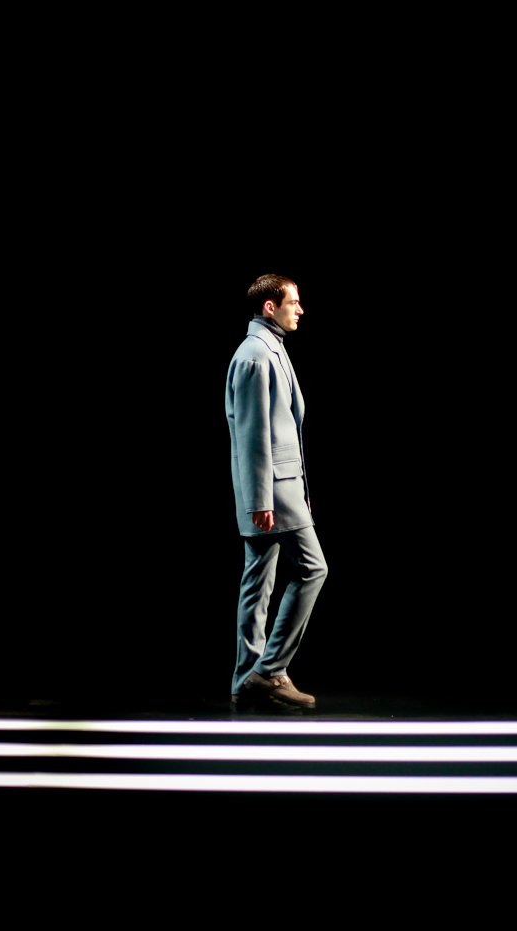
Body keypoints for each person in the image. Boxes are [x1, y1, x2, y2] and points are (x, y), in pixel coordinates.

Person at [226, 275, 329, 709]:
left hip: (277, 485)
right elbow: (252, 434)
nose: (300, 309)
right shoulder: (256, 356)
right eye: (293, 301)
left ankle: (245, 679)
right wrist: (260, 500)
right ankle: (268, 672)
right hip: (273, 488)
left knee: (258, 582)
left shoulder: (270, 349)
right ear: (270, 306)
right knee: (312, 568)